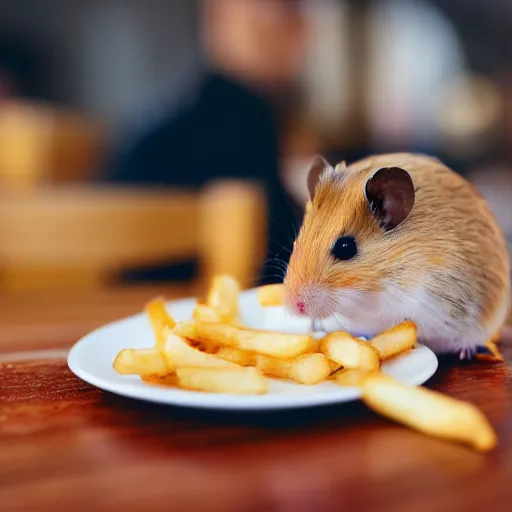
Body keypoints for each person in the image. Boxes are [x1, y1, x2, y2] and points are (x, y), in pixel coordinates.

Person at [105, 0, 308, 285]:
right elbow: (281, 272)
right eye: (282, 7)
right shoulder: (243, 127)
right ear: (218, 12)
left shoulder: (154, 133)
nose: (301, 24)